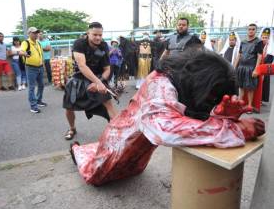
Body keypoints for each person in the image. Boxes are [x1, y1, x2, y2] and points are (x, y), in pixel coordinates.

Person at [70, 48, 265, 186]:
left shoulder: (185, 78)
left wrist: (219, 115)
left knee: (134, 168)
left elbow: (190, 112)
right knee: (97, 174)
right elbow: (165, 130)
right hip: (120, 140)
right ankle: (77, 151)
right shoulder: (159, 82)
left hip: (140, 143)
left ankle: (88, 150)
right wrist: (236, 129)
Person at [63, 22, 118, 140]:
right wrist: (98, 83)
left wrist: (100, 82)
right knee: (69, 107)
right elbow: (82, 66)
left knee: (109, 104)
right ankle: (72, 128)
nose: (98, 37)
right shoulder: (79, 44)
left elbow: (107, 69)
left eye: (100, 35)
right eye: (95, 34)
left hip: (98, 78)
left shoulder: (103, 46)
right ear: (88, 33)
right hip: (78, 79)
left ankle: (116, 130)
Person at [234, 24, 263, 112]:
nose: (251, 31)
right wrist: (234, 66)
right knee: (241, 86)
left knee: (250, 88)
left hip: (251, 68)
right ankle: (239, 105)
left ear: (255, 31)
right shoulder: (243, 42)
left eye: (253, 29)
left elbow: (259, 56)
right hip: (241, 67)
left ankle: (249, 106)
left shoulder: (258, 42)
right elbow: (239, 55)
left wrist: (256, 69)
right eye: (249, 29)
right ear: (247, 30)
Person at [20, 27, 47, 113]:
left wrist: (43, 65)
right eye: (34, 33)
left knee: (41, 85)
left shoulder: (38, 43)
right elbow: (21, 52)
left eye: (37, 33)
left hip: (40, 67)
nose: (36, 34)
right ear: (29, 33)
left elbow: (41, 55)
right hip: (31, 68)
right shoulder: (26, 42)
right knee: (31, 87)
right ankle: (33, 106)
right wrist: (25, 54)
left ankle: (38, 100)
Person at [260, 27, 274, 104]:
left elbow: (269, 60)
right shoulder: (259, 46)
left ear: (269, 38)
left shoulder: (271, 48)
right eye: (263, 37)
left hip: (265, 69)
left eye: (266, 37)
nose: (264, 39)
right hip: (258, 68)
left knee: (264, 84)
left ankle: (261, 100)